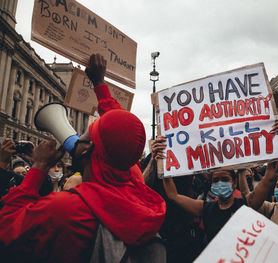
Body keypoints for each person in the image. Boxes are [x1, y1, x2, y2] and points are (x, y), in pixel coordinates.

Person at [0, 54, 166, 263]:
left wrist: (39, 166)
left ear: (86, 151)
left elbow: (6, 229)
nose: (78, 140)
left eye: (86, 136)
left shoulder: (65, 209)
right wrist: (99, 82)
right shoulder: (137, 186)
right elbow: (119, 127)